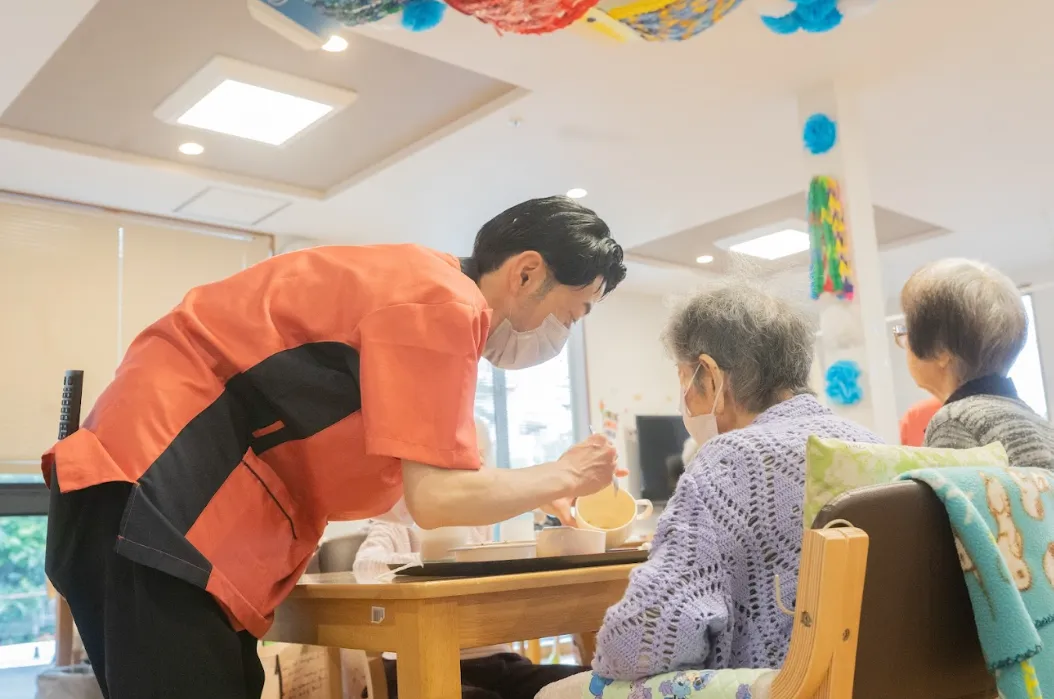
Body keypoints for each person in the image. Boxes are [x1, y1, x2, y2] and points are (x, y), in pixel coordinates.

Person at [42, 196, 626, 699]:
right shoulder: (441, 301)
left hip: (149, 507)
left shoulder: (419, 290)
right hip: (158, 502)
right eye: (574, 313)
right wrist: (568, 473)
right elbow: (440, 498)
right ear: (526, 274)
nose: (564, 333)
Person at [542, 282, 881, 698]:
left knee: (555, 692)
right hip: (875, 681)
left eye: (684, 380)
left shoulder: (729, 458)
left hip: (788, 686)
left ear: (711, 374)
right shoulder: (871, 445)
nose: (684, 399)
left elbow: (636, 644)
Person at [351, 421, 586, 699]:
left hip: (496, 661)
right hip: (413, 664)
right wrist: (438, 562)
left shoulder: (481, 519)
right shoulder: (399, 516)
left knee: (588, 683)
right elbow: (366, 565)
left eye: (478, 462)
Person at [896, 258, 1054, 468]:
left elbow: (953, 500)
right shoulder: (1039, 423)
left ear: (942, 350)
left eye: (906, 332)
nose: (903, 343)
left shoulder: (954, 422)